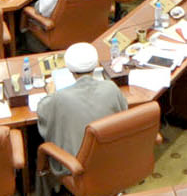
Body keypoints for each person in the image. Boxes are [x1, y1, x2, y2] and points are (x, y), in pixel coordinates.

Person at [37, 43, 128, 186]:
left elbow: (43, 115)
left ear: (69, 69)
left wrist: (51, 93)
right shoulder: (111, 88)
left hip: (76, 168)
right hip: (113, 160)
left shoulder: (59, 98)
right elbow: (125, 118)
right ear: (96, 65)